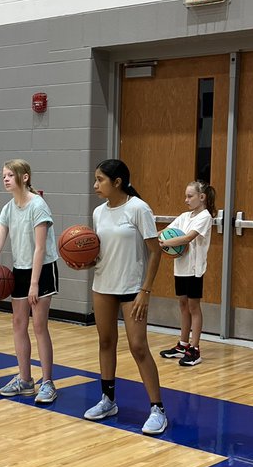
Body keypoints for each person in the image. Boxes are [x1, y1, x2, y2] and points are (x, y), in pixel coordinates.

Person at [83, 159, 167, 435]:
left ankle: (157, 409)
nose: (95, 185)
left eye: (100, 180)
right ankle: (108, 400)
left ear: (117, 182)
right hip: (103, 284)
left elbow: (155, 251)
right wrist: (84, 259)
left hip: (133, 289)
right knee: (105, 342)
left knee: (138, 347)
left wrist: (146, 290)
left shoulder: (138, 209)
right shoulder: (98, 212)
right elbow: (100, 248)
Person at [0, 159, 58, 404]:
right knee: (18, 324)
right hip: (20, 270)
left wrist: (33, 284)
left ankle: (48, 382)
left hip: (41, 270)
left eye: (11, 175)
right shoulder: (8, 208)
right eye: (4, 176)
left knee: (39, 326)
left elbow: (40, 248)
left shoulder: (38, 205)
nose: (6, 179)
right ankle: (25, 379)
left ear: (25, 177)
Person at [159, 180, 217, 367]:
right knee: (183, 305)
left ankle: (195, 349)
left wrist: (165, 243)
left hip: (194, 268)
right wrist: (154, 236)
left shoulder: (205, 217)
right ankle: (183, 345)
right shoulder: (184, 216)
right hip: (180, 267)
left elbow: (187, 238)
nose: (186, 200)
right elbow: (167, 232)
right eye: (186, 196)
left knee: (193, 307)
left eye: (190, 196)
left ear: (202, 197)